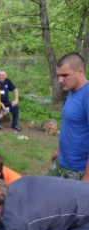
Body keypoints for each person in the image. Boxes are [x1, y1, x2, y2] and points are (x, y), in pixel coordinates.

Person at [48, 52, 89, 181]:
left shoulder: (87, 95)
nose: (60, 80)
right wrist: (59, 149)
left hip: (78, 169)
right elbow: (70, 126)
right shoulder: (72, 92)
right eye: (59, 76)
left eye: (65, 75)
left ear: (80, 71)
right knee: (45, 194)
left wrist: (87, 178)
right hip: (62, 161)